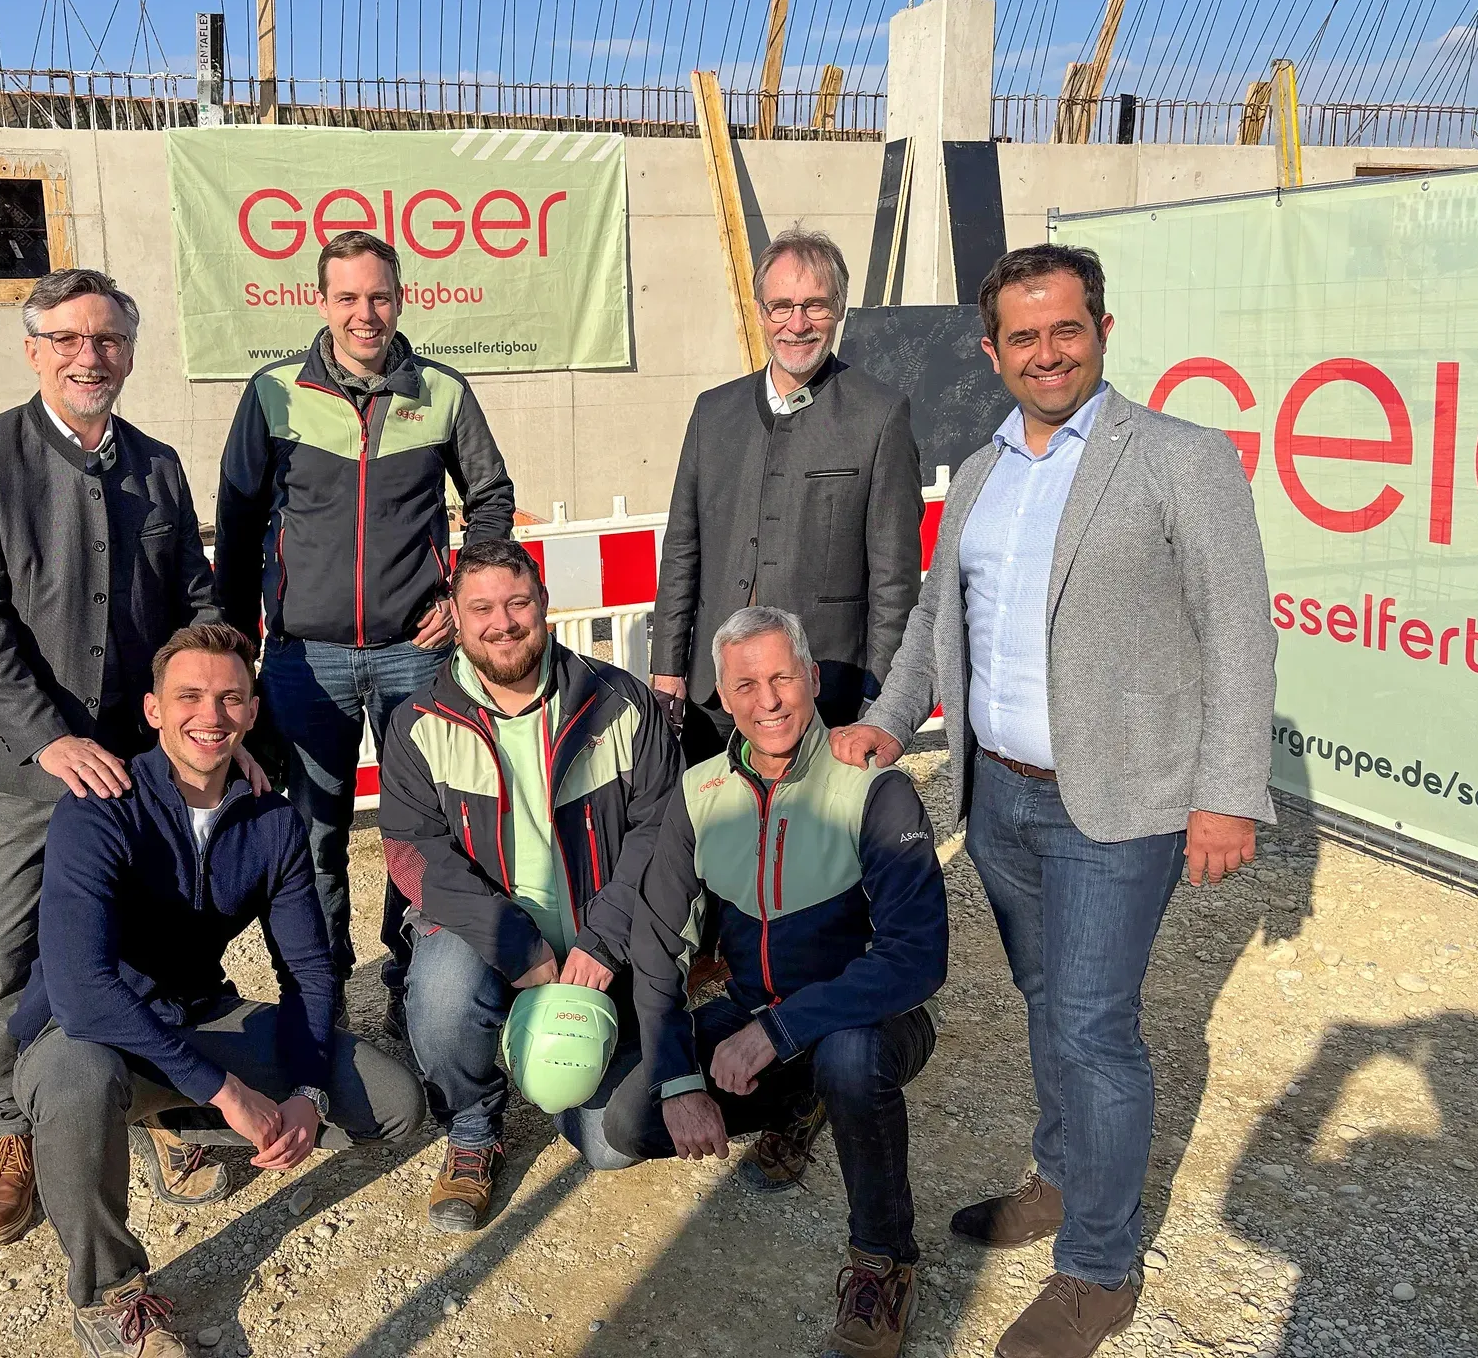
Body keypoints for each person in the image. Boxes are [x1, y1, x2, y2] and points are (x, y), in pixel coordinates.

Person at [833, 244, 1277, 1358]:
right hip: (1001, 802)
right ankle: (1058, 1178)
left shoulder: (1179, 457)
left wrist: (1228, 793)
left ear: (1102, 331)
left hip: (1118, 806)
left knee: (1093, 1027)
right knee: (1046, 1002)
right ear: (992, 353)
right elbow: (942, 621)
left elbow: (1239, 630)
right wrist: (891, 719)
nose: (1046, 353)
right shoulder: (982, 472)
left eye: (1064, 329)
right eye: (1022, 337)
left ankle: (1099, 1267)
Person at [0, 267, 262, 1249]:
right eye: (68, 339)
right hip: (30, 768)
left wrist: (213, 716)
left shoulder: (154, 465)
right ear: (33, 350)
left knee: (148, 946)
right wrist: (49, 736)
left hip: (138, 770)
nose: (89, 356)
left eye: (108, 339)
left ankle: (147, 1106)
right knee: (8, 953)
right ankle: (15, 1130)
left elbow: (197, 599)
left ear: (129, 351)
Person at [8, 624, 425, 1357]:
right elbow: (81, 990)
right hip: (88, 1036)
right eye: (190, 696)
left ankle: (167, 1119)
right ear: (153, 710)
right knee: (79, 1082)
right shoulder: (98, 807)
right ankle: (110, 1295)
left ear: (253, 712)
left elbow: (311, 971)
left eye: (231, 697)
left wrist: (304, 1088)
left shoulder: (271, 821)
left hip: (198, 1016)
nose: (212, 713)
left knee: (395, 1103)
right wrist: (229, 1092)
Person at [619, 606, 946, 1358]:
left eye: (781, 678)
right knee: (627, 1123)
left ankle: (883, 1259)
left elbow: (917, 958)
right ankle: (798, 1104)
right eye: (746, 685)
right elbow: (658, 945)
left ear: (812, 679)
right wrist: (677, 1082)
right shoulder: (698, 793)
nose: (767, 701)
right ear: (724, 699)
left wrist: (778, 1031)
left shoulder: (873, 788)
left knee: (849, 1059)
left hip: (867, 1018)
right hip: (753, 1007)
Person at [215, 230, 517, 1036]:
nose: (364, 314)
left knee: (424, 829)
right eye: (347, 297)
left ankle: (415, 982)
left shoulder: (443, 392)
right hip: (302, 662)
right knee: (312, 834)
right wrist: (237, 645)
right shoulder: (273, 393)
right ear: (320, 303)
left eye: (378, 296)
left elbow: (491, 498)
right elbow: (239, 526)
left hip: (414, 656)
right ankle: (322, 998)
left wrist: (462, 595)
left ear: (401, 298)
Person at [375, 539, 680, 1232]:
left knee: (610, 1146)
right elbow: (412, 852)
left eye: (517, 603)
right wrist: (514, 942)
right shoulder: (418, 723)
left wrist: (604, 942)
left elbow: (661, 833)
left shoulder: (621, 704)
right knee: (445, 996)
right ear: (453, 615)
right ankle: (474, 1128)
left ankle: (560, 1065)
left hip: (600, 947)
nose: (502, 623)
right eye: (480, 607)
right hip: (490, 937)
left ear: (544, 606)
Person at [651, 226, 922, 763]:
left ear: (839, 310)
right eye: (781, 307)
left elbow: (894, 578)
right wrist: (668, 666)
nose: (797, 325)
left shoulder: (879, 416)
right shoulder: (713, 413)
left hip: (827, 688)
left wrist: (883, 700)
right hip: (715, 691)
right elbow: (683, 547)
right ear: (760, 312)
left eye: (814, 306)